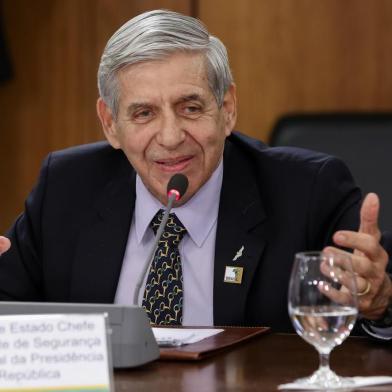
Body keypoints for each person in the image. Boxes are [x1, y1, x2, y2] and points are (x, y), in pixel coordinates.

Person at [0, 10, 391, 335]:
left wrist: (380, 304)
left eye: (190, 108)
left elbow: (369, 299)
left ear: (227, 109)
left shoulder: (308, 192)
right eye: (143, 113)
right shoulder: (67, 188)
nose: (170, 138)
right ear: (109, 124)